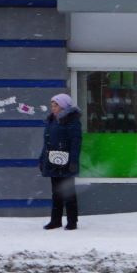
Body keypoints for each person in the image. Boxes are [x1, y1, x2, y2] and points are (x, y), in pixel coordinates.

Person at [39, 93, 82, 230]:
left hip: (66, 161)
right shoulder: (52, 120)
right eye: (52, 105)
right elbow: (47, 143)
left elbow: (76, 142)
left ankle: (72, 221)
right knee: (56, 192)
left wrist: (73, 161)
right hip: (53, 160)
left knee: (68, 193)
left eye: (55, 105)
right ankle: (55, 220)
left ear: (63, 106)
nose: (53, 108)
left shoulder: (72, 121)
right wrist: (42, 159)